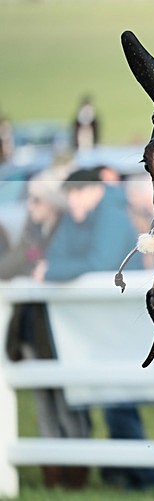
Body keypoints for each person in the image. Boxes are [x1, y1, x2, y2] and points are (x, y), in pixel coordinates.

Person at [33, 167, 154, 490]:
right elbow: (60, 254)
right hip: (99, 324)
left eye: (76, 194)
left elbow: (100, 263)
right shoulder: (84, 216)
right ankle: (129, 473)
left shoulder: (112, 217)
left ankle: (146, 476)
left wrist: (51, 272)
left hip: (119, 323)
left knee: (118, 400)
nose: (72, 203)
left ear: (94, 190)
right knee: (113, 400)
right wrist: (54, 266)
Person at [1, 168, 92, 489]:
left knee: (69, 402)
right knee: (45, 404)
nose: (31, 205)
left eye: (37, 199)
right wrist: (30, 254)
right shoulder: (33, 231)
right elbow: (9, 266)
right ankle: (53, 474)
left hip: (61, 331)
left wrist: (37, 261)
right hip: (32, 331)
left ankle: (76, 474)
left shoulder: (64, 230)